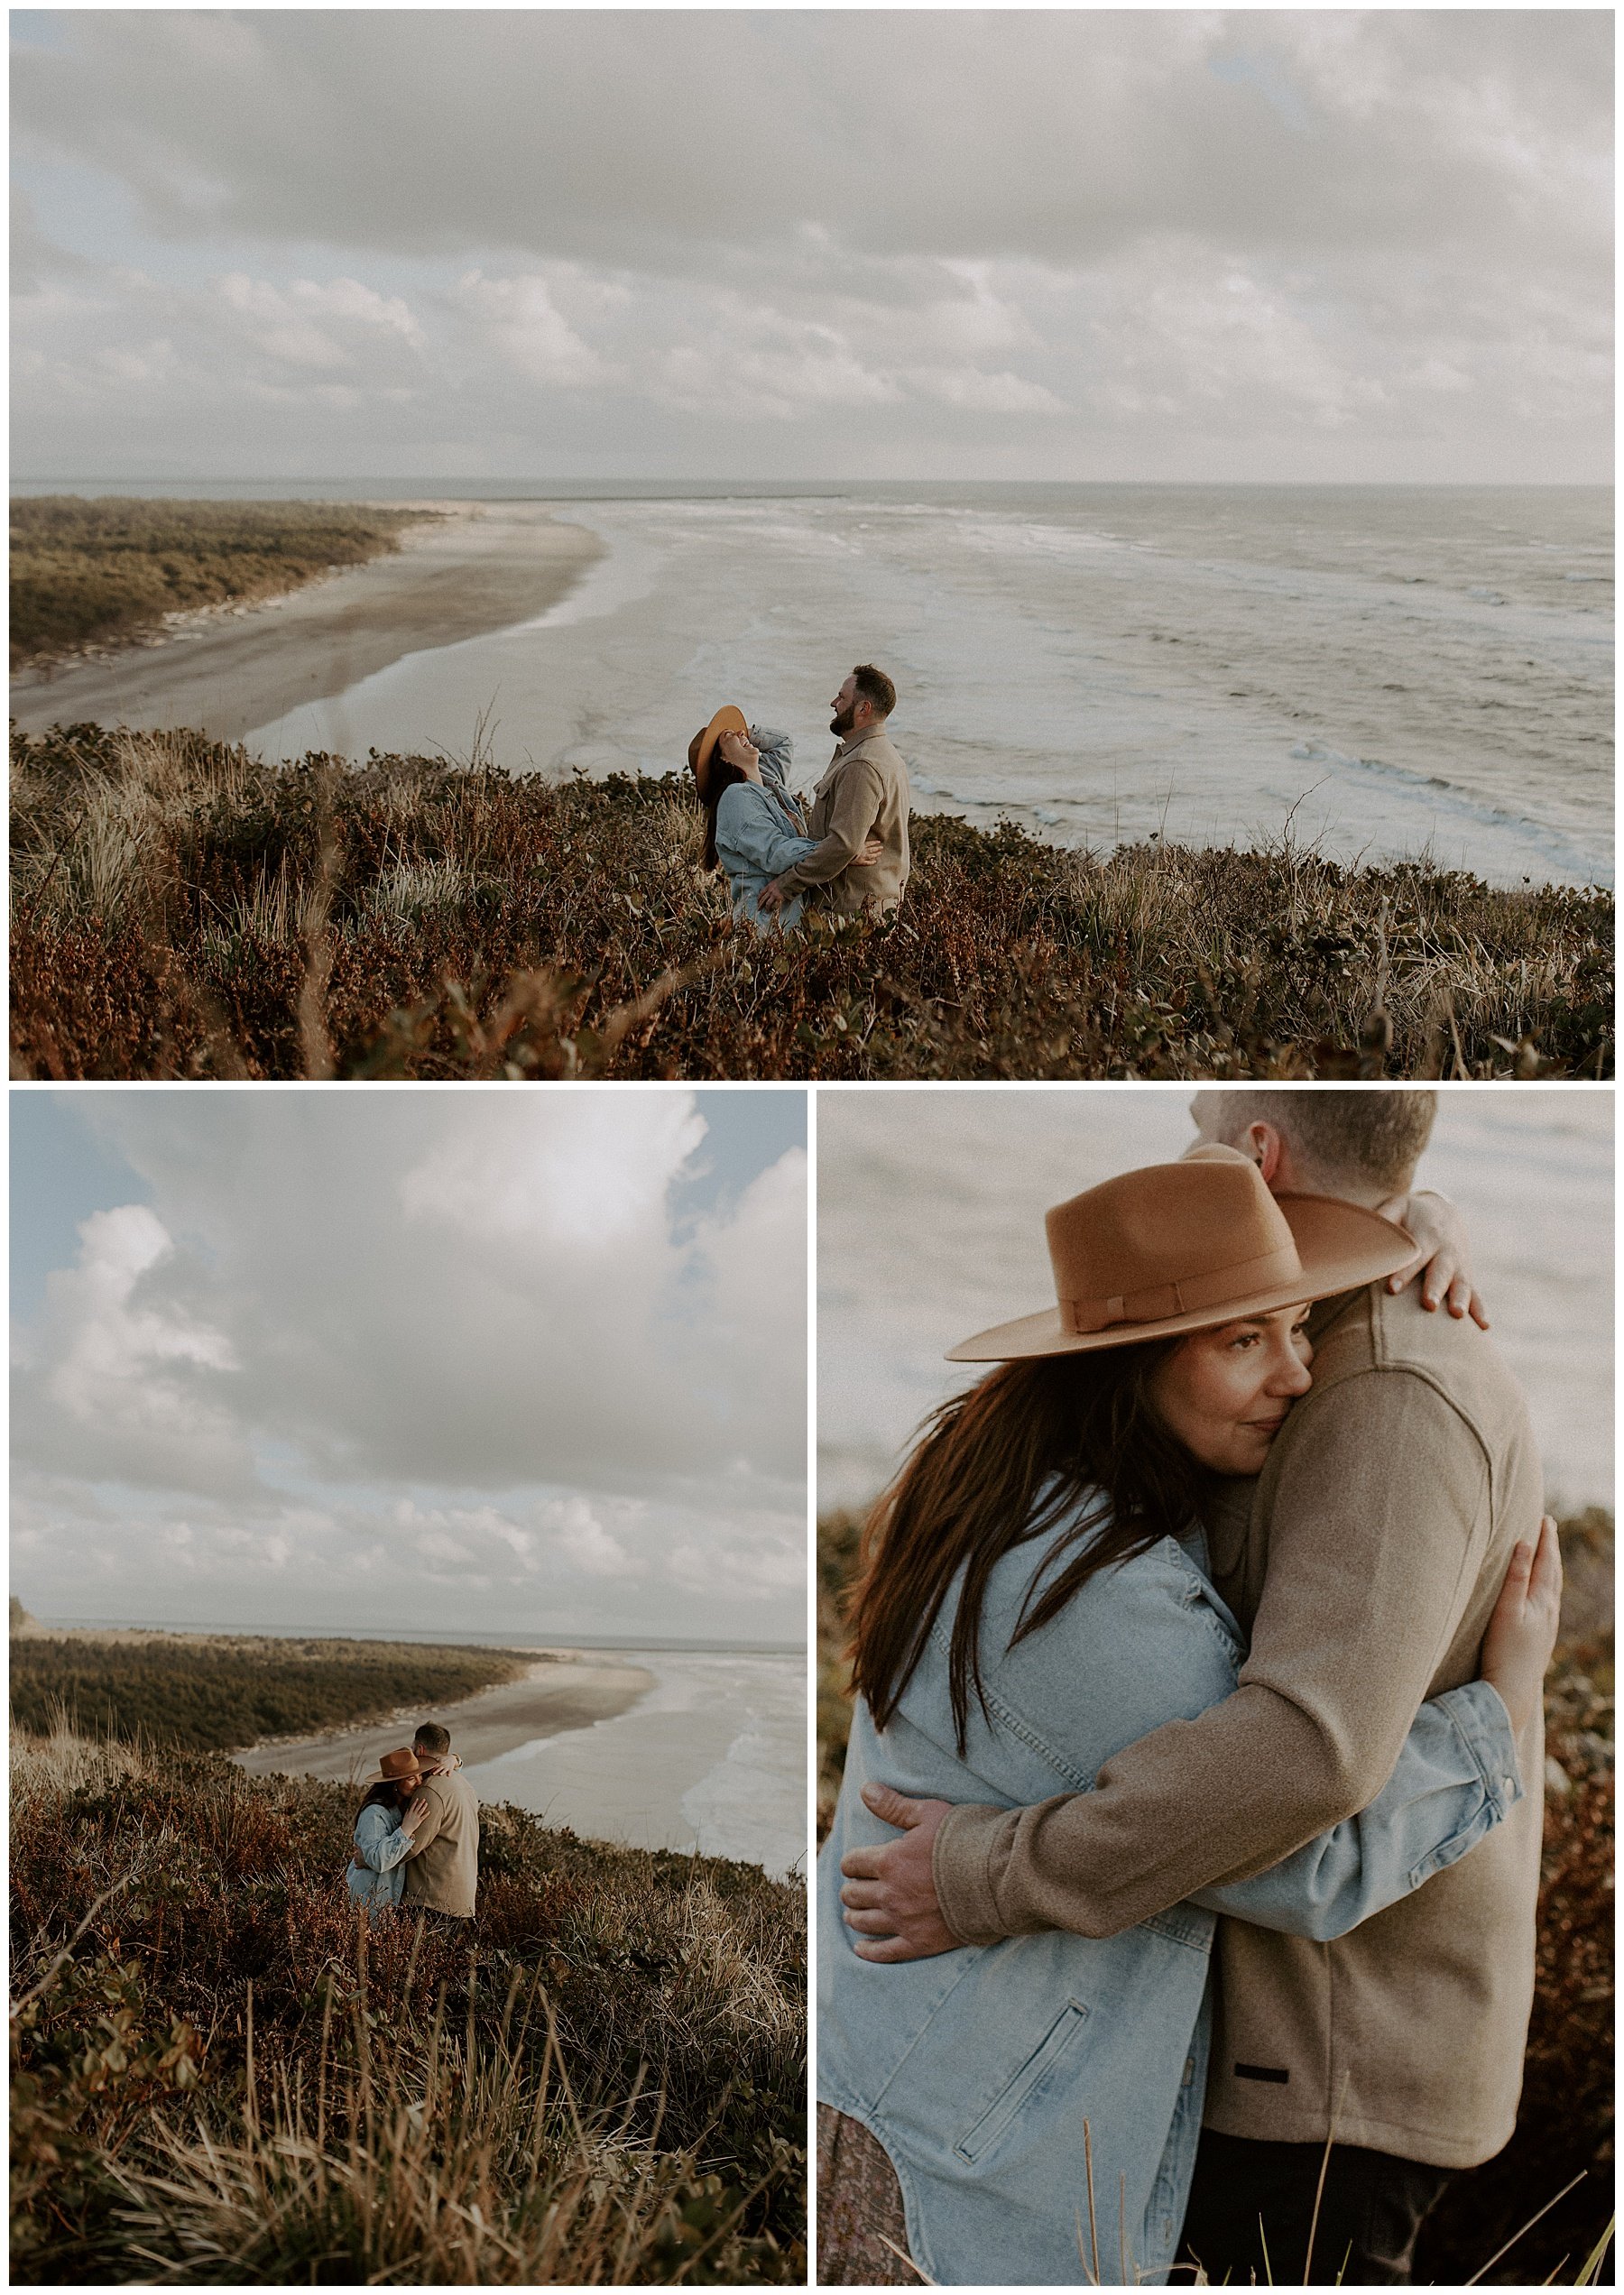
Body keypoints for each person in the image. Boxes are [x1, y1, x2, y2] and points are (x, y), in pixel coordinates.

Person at [835, 1090, 1551, 2285]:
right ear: (1129, 1362)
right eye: (1245, 1340)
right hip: (980, 2101)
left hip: (960, 2066)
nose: (1297, 1371)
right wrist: (1502, 1719)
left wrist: (1418, 1210)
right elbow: (1300, 1843)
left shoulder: (1006, 1483)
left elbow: (1213, 1208)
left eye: (1296, 1324)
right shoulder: (1092, 1593)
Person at [687, 706, 880, 932]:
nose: (741, 734)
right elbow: (776, 853)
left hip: (788, 921)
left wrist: (745, 735)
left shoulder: (767, 780)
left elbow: (784, 742)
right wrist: (839, 851)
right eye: (730, 736)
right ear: (722, 759)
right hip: (763, 926)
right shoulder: (735, 798)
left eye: (740, 732)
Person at [759, 664, 910, 921]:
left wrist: (786, 885)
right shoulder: (883, 754)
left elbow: (843, 844)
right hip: (866, 907)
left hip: (848, 914)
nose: (834, 703)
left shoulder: (862, 765)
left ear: (864, 709)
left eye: (842, 698)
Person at [400, 1721, 482, 1921]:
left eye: (412, 1749)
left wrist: (368, 1859)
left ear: (420, 1749)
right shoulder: (464, 1784)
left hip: (432, 1900)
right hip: (462, 1899)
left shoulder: (431, 1789)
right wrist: (456, 1760)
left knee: (416, 1953)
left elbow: (410, 1846)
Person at [346, 1746, 433, 1913]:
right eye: (411, 1779)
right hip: (369, 1901)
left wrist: (455, 1760)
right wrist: (406, 1829)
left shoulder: (404, 1805)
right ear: (394, 1784)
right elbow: (378, 1860)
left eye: (420, 1775)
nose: (419, 1782)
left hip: (387, 1900)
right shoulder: (374, 1813)